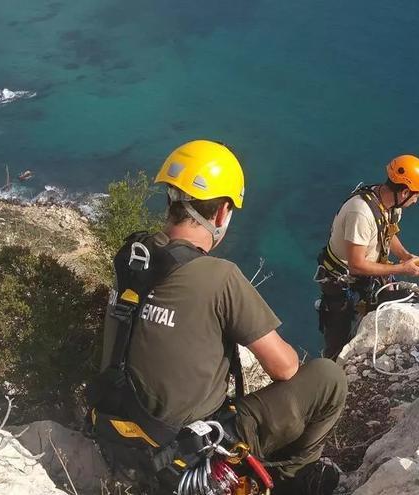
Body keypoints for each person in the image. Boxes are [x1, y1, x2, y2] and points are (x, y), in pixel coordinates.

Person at [89, 140, 347, 494]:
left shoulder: (133, 257)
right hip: (184, 451)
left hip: (117, 430)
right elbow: (284, 367)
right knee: (329, 377)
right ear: (223, 212)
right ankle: (290, 476)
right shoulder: (219, 275)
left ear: (171, 199)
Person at [315, 155, 419, 359]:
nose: (416, 201)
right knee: (338, 341)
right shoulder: (361, 213)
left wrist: (404, 256)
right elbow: (356, 265)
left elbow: (387, 232)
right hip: (342, 280)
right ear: (404, 192)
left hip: (367, 276)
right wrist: (403, 269)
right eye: (415, 196)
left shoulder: (388, 204)